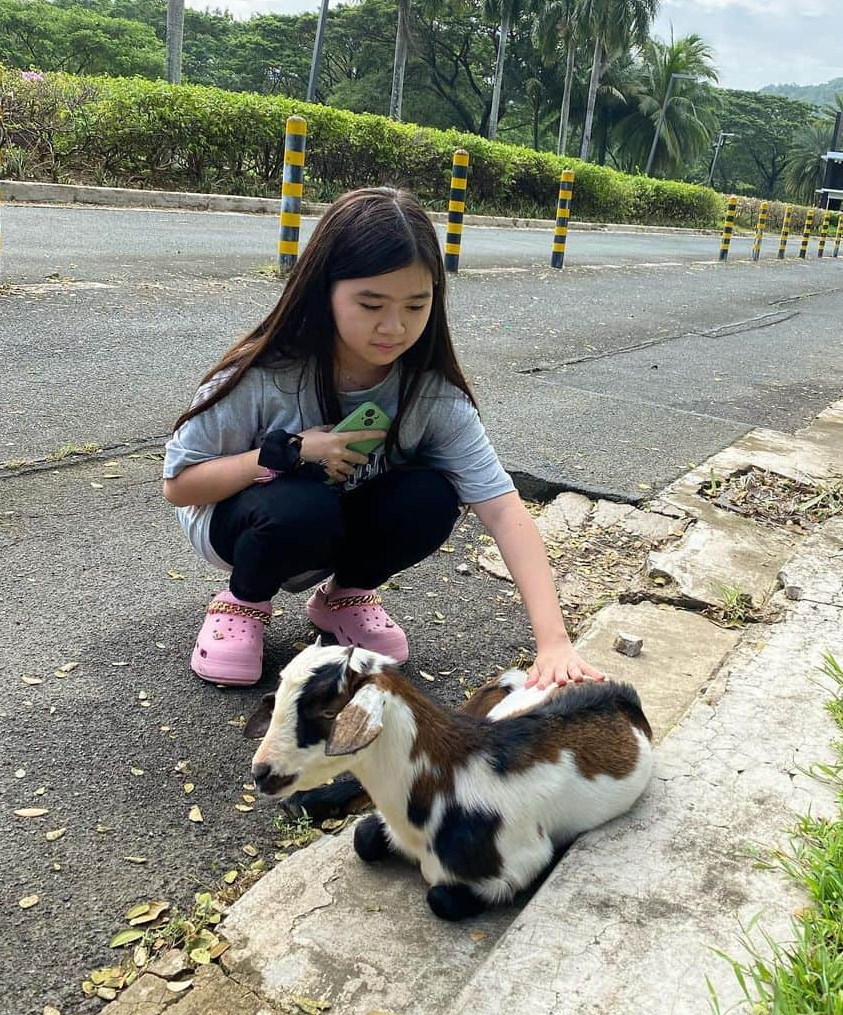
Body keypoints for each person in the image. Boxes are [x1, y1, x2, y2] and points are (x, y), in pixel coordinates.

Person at [163, 185, 606, 697]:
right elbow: (180, 487)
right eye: (371, 304)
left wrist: (554, 644)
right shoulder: (267, 374)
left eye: (416, 305)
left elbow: (504, 509)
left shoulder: (430, 393)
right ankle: (243, 603)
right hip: (242, 524)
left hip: (339, 522)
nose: (394, 327)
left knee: (433, 496)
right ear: (323, 291)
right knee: (301, 504)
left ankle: (344, 597)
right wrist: (288, 452)